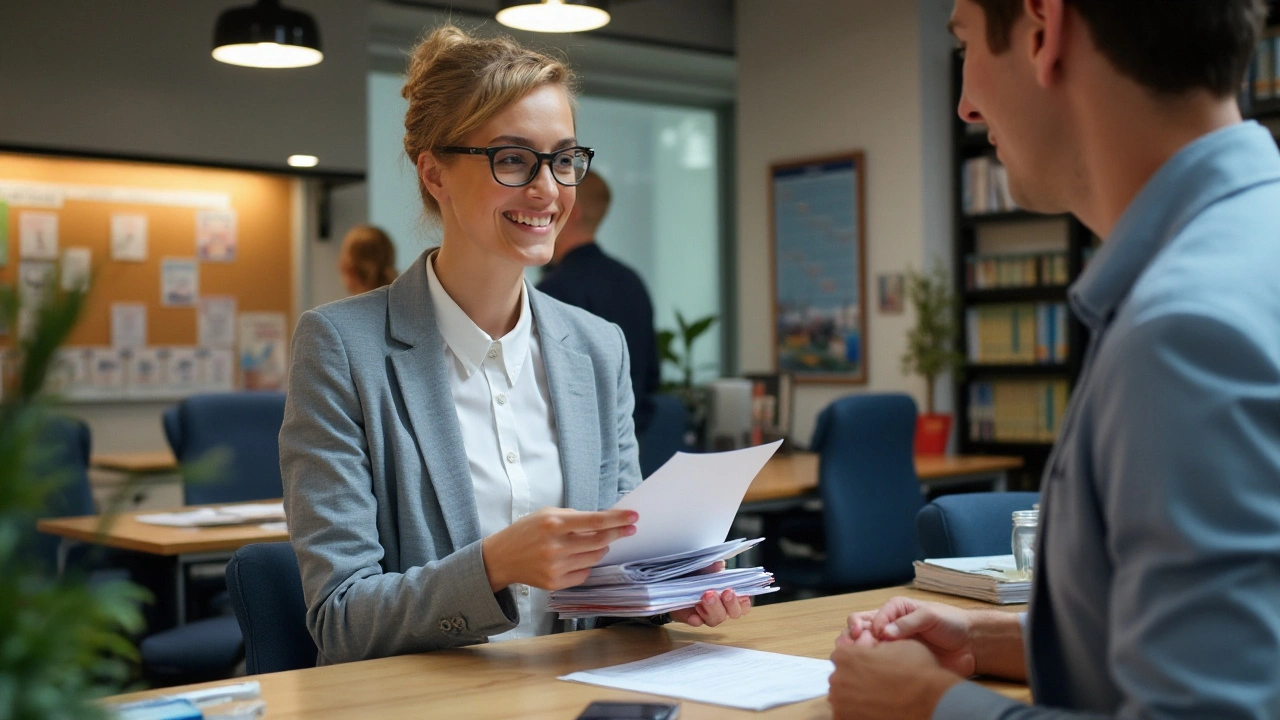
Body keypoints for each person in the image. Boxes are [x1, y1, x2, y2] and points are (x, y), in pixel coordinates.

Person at [828, 1, 1280, 718]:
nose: (968, 107)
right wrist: (999, 638)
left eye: (967, 41)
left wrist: (929, 704)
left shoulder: (1188, 329)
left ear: (1044, 30)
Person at [280, 25, 750, 666]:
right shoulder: (341, 348)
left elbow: (622, 567)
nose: (549, 190)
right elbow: (341, 619)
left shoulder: (596, 347)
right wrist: (495, 564)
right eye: (511, 158)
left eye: (563, 159)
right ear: (435, 173)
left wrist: (673, 590)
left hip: (583, 693)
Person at [537, 173, 660, 436]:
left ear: (573, 212)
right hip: (634, 436)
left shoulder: (553, 291)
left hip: (578, 444)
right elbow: (651, 376)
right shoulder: (631, 281)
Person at [336, 224, 398, 295]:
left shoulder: (353, 305)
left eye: (343, 255)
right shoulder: (402, 300)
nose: (338, 265)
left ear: (352, 269)